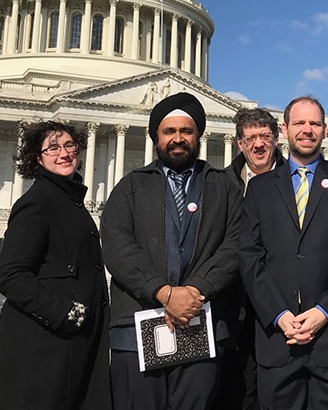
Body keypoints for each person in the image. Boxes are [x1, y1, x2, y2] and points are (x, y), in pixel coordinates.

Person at [101, 92, 242, 410]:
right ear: (156, 137)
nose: (178, 139)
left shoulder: (223, 186)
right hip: (137, 326)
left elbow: (235, 245)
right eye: (169, 131)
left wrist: (196, 289)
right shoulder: (130, 186)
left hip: (200, 323)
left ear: (198, 136)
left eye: (186, 131)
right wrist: (163, 292)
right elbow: (116, 245)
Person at [239, 96, 328, 410]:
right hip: (278, 341)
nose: (307, 130)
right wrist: (279, 315)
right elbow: (250, 258)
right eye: (299, 123)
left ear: (325, 130)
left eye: (314, 123)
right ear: (284, 129)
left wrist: (323, 312)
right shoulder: (259, 189)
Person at [0, 121, 110, 410]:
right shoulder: (38, 202)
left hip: (65, 341)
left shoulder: (67, 199)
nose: (64, 153)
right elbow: (11, 275)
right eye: (53, 148)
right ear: (37, 158)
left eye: (69, 146)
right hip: (45, 343)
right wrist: (65, 311)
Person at [219, 108, 286, 410]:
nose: (258, 144)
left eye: (264, 137)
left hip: (282, 305)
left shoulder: (297, 180)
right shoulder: (221, 184)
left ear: (276, 139)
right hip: (234, 308)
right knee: (238, 391)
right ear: (239, 144)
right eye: (251, 138)